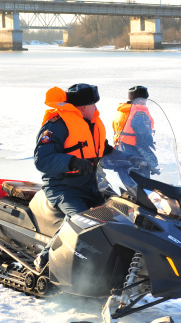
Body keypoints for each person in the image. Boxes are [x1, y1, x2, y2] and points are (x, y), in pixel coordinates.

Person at [33, 83, 113, 270]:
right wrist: (72, 162)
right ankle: (46, 258)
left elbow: (102, 148)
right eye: (94, 104)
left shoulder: (92, 124)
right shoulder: (56, 126)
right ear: (83, 107)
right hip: (64, 186)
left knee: (123, 210)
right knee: (79, 218)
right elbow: (42, 159)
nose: (96, 108)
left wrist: (126, 157)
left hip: (94, 184)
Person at [112, 85, 157, 176]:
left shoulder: (122, 111)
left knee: (128, 183)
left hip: (120, 151)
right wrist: (152, 161)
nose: (145, 103)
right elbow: (143, 141)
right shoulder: (140, 114)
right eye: (144, 100)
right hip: (135, 153)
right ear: (140, 100)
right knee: (142, 185)